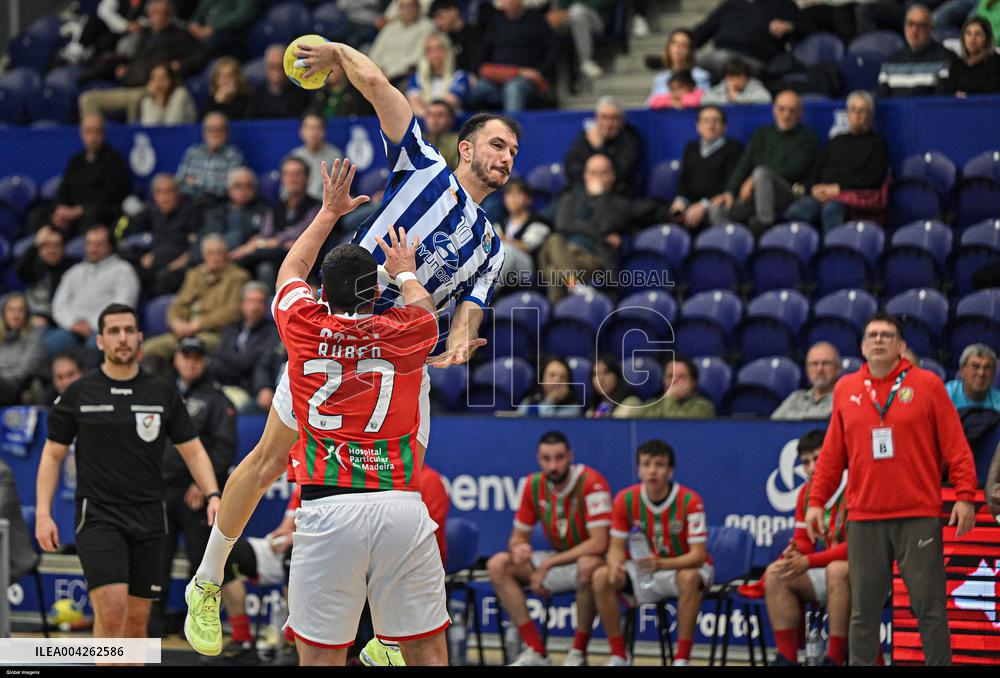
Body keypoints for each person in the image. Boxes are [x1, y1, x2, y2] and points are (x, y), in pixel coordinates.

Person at [185, 38, 516, 661]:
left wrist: (463, 345)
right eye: (498, 145)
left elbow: (472, 311)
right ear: (466, 147)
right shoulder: (425, 167)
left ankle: (386, 636)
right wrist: (339, 50)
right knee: (265, 464)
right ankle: (205, 580)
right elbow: (380, 88)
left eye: (514, 153)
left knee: (397, 498)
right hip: (336, 334)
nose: (507, 158)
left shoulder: (494, 244)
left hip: (401, 354)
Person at [264, 164, 445, 666]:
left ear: (324, 292)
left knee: (322, 657)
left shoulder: (302, 323)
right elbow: (424, 310)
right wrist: (406, 269)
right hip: (399, 508)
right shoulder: (406, 331)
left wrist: (327, 213)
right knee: (427, 651)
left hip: (327, 508)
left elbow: (289, 272)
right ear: (374, 292)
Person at [34, 303, 222, 647]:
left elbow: (192, 448)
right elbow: (52, 454)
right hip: (99, 515)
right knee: (111, 609)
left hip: (149, 515)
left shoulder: (162, 391)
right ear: (101, 341)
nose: (122, 338)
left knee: (137, 622)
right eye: (113, 331)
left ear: (139, 337)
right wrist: (44, 513)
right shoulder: (79, 393)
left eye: (128, 330)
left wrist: (212, 494)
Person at [805, 311, 978, 666]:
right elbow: (831, 455)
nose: (879, 340)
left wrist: (965, 496)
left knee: (928, 608)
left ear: (901, 346)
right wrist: (815, 502)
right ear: (863, 346)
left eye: (887, 335)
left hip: (917, 515)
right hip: (865, 517)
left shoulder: (927, 384)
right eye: (873, 335)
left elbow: (955, 445)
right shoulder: (846, 389)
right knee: (863, 612)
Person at [487, 431, 612, 666]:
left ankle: (578, 652)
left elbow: (599, 543)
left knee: (588, 565)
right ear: (538, 458)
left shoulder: (592, 483)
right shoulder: (533, 485)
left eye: (559, 458)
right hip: (556, 559)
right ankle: (536, 650)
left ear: (570, 456)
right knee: (498, 564)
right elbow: (516, 538)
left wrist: (547, 564)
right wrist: (518, 549)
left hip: (591, 561)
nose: (553, 465)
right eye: (547, 459)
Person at [593, 439, 711, 667]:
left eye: (659, 465)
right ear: (638, 469)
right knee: (600, 576)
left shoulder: (690, 500)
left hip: (680, 568)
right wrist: (615, 565)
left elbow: (698, 556)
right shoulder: (625, 499)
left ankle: (682, 659)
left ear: (670, 470)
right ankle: (619, 655)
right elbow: (616, 547)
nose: (652, 471)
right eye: (646, 464)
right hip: (645, 569)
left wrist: (661, 564)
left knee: (689, 578)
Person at [153, 336, 236, 637]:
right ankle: (154, 622)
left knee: (200, 558)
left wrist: (203, 484)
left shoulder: (217, 400)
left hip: (196, 493)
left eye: (196, 357)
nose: (190, 361)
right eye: (185, 355)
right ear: (175, 359)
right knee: (156, 557)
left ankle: (197, 622)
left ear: (204, 361)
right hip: (161, 489)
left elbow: (225, 447)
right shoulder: (163, 394)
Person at [764, 429, 851, 666]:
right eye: (805, 462)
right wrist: (794, 552)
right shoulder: (806, 492)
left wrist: (808, 561)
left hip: (867, 571)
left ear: (834, 456)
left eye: (818, 459)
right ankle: (787, 658)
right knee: (776, 572)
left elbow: (855, 549)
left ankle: (835, 657)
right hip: (828, 570)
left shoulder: (854, 485)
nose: (812, 468)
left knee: (837, 569)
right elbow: (804, 539)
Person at [710, 90, 820, 235]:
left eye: (791, 111)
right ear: (774, 110)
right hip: (755, 196)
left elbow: (795, 170)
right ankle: (736, 244)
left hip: (788, 195)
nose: (786, 115)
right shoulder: (762, 134)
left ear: (800, 113)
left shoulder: (808, 138)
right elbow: (744, 164)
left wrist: (753, 179)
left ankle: (765, 226)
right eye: (781, 109)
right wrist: (729, 192)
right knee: (717, 209)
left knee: (761, 172)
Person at [141, 234, 249, 374]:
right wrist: (176, 323)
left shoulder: (238, 277)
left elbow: (233, 312)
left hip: (213, 334)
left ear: (226, 254)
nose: (214, 257)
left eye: (219, 253)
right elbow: (177, 304)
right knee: (147, 348)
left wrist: (198, 324)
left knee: (190, 349)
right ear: (204, 255)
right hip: (184, 331)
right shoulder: (195, 274)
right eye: (210, 253)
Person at [783, 91, 890, 232]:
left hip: (852, 197)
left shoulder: (878, 143)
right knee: (795, 211)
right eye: (853, 110)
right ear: (847, 113)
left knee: (831, 210)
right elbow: (816, 171)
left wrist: (839, 188)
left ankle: (834, 250)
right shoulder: (836, 141)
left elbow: (872, 179)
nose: (857, 115)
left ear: (869, 115)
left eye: (862, 111)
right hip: (823, 194)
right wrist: (814, 188)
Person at [537, 153, 632, 303]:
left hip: (592, 257)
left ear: (612, 176)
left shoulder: (619, 204)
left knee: (555, 272)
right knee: (554, 239)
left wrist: (600, 197)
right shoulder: (570, 198)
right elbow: (563, 225)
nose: (597, 178)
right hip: (565, 251)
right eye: (593, 173)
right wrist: (597, 233)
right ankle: (575, 286)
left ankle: (559, 318)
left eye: (603, 173)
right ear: (585, 175)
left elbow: (605, 226)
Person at [32, 114, 130, 238]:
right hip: (71, 212)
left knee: (91, 214)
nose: (93, 137)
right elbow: (64, 188)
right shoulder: (75, 160)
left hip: (98, 212)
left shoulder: (114, 160)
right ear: (81, 134)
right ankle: (43, 246)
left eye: (97, 132)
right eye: (88, 132)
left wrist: (78, 211)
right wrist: (61, 210)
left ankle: (79, 250)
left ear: (103, 134)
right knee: (37, 215)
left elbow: (110, 195)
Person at [230, 157, 320, 287]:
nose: (292, 179)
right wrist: (274, 243)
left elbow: (301, 236)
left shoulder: (317, 207)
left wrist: (267, 243)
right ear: (282, 179)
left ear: (307, 178)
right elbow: (266, 234)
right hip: (274, 257)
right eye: (287, 174)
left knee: (265, 267)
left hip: (304, 263)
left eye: (297, 174)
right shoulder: (274, 207)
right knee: (247, 264)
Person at [50, 223, 141, 348]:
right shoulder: (74, 271)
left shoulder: (123, 270)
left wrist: (93, 325)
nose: (92, 249)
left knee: (96, 344)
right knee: (51, 342)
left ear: (110, 246)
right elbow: (59, 305)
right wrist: (73, 323)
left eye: (98, 244)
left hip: (106, 329)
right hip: (72, 328)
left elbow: (123, 305)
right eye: (89, 243)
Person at [469, 0, 559, 113]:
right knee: (474, 89)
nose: (510, 2)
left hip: (527, 79)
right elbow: (484, 48)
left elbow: (554, 48)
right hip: (498, 77)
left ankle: (511, 128)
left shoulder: (536, 20)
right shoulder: (496, 21)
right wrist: (472, 71)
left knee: (513, 88)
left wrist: (542, 72)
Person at [122, 173, 200, 296]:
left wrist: (174, 266)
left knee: (165, 278)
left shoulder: (189, 211)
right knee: (123, 262)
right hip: (153, 261)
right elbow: (128, 231)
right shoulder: (153, 211)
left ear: (177, 194)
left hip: (176, 267)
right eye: (159, 192)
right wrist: (143, 256)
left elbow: (194, 249)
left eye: (169, 192)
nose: (164, 197)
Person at [669, 105, 744, 233]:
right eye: (706, 121)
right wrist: (680, 201)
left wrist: (704, 205)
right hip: (692, 203)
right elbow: (684, 180)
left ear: (725, 127)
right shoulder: (691, 148)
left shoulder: (734, 148)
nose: (711, 125)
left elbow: (729, 186)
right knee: (666, 213)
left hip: (717, 204)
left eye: (715, 121)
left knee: (714, 213)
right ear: (698, 126)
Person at [208, 282, 280, 411]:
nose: (255, 306)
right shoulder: (231, 329)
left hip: (247, 390)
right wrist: (239, 362)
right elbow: (216, 360)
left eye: (260, 302)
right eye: (251, 301)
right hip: (221, 385)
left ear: (266, 306)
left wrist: (228, 358)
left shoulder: (272, 332)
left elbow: (249, 363)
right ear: (241, 305)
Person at [693, 0, 804, 78]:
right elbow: (703, 31)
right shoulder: (731, 4)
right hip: (720, 53)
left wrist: (790, 27)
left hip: (756, 59)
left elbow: (806, 27)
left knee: (723, 61)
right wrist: (683, 43)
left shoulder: (784, 5)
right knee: (688, 58)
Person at [563, 96, 643, 197]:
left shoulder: (630, 139)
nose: (608, 124)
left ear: (622, 120)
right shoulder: (586, 136)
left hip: (615, 194)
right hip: (581, 192)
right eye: (604, 117)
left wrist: (599, 147)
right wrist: (589, 183)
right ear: (597, 118)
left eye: (614, 118)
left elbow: (619, 173)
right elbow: (571, 167)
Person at [13, 226, 72, 354]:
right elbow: (18, 270)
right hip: (27, 318)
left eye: (56, 245)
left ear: (63, 248)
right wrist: (35, 244)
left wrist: (46, 319)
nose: (51, 250)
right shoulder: (34, 267)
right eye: (46, 246)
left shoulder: (71, 270)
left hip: (52, 324)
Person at [878, 4, 957, 97]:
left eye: (920, 26)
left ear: (930, 28)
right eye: (910, 24)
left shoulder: (945, 58)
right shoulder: (890, 61)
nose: (914, 30)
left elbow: (940, 104)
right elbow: (882, 101)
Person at [175, 112, 246, 206]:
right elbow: (179, 182)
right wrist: (212, 184)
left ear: (227, 133)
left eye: (219, 130)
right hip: (189, 204)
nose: (215, 134)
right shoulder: (192, 152)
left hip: (218, 207)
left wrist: (196, 182)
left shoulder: (234, 156)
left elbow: (227, 189)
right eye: (211, 129)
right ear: (204, 133)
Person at [198, 168, 273, 256]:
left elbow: (264, 236)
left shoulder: (264, 210)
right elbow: (208, 237)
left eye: (248, 186)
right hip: (217, 258)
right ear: (229, 188)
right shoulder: (217, 211)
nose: (243, 190)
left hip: (249, 259)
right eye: (238, 185)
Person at [613, 357, 716, 419]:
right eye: (670, 376)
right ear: (663, 380)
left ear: (693, 382)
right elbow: (639, 421)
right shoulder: (653, 403)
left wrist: (670, 398)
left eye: (682, 377)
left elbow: (677, 425)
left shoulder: (704, 406)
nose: (674, 381)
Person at [368, 0, 436, 87]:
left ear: (418, 7)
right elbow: (376, 52)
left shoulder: (427, 27)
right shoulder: (390, 27)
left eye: (412, 6)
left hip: (404, 75)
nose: (408, 10)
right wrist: (378, 71)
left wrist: (390, 73)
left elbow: (417, 57)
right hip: (381, 73)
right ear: (399, 9)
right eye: (404, 7)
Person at [497, 178, 550, 286]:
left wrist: (503, 240)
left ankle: (482, 297)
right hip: (505, 267)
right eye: (509, 194)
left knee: (506, 250)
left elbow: (527, 246)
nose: (513, 198)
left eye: (518, 194)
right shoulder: (501, 223)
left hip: (528, 269)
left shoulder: (538, 222)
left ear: (529, 199)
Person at [545, 0, 615, 80]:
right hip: (569, 17)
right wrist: (557, 14)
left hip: (596, 18)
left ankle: (586, 61)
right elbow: (562, 4)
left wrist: (566, 12)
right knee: (547, 19)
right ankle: (540, 72)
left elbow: (600, 4)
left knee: (577, 11)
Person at [771, 342, 842, 420]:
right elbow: (773, 425)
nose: (819, 369)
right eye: (814, 364)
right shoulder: (795, 397)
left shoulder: (843, 400)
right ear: (807, 370)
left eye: (826, 364)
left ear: (838, 368)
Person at [407, 32, 470, 117]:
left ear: (447, 51)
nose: (434, 53)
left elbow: (450, 102)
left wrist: (430, 113)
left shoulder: (459, 76)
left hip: (452, 124)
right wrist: (428, 117)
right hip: (424, 123)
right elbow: (414, 103)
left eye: (439, 49)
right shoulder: (417, 77)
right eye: (429, 50)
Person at [0, 293, 47, 406]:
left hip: (21, 387)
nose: (15, 314)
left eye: (20, 310)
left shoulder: (35, 336)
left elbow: (23, 372)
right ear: (3, 313)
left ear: (26, 314)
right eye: (11, 310)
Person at [646, 29, 712, 107]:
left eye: (684, 45)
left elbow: (705, 102)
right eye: (674, 43)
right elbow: (648, 105)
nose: (678, 49)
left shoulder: (701, 76)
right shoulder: (660, 79)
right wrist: (669, 101)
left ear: (690, 50)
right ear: (668, 47)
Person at [937, 17, 1000, 95]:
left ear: (987, 39)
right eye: (968, 33)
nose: (972, 39)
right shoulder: (957, 64)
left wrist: (968, 96)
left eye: (978, 34)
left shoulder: (996, 63)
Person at [246, 44, 311, 120]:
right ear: (265, 68)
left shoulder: (301, 94)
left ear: (288, 67)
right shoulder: (255, 95)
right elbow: (249, 124)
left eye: (281, 66)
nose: (277, 72)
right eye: (272, 67)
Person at [290, 114, 345, 202]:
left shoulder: (335, 156)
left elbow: (337, 190)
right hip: (299, 205)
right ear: (301, 131)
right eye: (308, 127)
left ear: (324, 131)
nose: (313, 132)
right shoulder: (295, 156)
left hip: (324, 204)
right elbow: (286, 191)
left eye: (317, 127)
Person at [517, 357, 584, 417]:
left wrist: (550, 400)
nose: (557, 380)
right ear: (542, 379)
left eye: (562, 377)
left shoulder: (574, 407)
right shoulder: (529, 402)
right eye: (552, 375)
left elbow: (547, 424)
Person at [429, 0, 481, 71]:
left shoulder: (475, 33)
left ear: (453, 11)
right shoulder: (444, 39)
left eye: (439, 15)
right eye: (434, 19)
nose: (438, 23)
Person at [947, 344, 1000, 412]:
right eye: (975, 366)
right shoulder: (946, 395)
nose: (981, 373)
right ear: (962, 370)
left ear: (993, 373)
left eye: (987, 368)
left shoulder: (998, 401)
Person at [700, 57, 773, 105]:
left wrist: (737, 98)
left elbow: (766, 98)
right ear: (725, 78)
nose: (735, 81)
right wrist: (727, 99)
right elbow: (704, 100)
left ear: (746, 77)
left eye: (739, 77)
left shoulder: (753, 85)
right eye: (731, 77)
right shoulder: (722, 87)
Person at [420, 100, 460, 170]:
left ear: (451, 119)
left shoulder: (458, 142)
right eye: (430, 114)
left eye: (440, 115)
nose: (434, 119)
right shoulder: (418, 139)